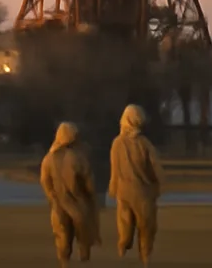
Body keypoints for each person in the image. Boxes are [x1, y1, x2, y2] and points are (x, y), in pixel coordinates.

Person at [40, 121, 101, 267]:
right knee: (83, 237)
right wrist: (92, 198)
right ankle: (84, 260)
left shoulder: (48, 158)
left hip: (58, 204)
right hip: (79, 204)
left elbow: (45, 181)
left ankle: (64, 263)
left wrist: (52, 197)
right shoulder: (78, 158)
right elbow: (89, 182)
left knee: (62, 237)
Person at [108, 104, 163, 265]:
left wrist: (113, 188)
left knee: (125, 224)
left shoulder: (117, 143)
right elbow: (156, 167)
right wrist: (159, 185)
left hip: (123, 192)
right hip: (144, 193)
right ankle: (145, 257)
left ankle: (123, 246)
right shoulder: (144, 144)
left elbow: (115, 169)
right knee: (146, 228)